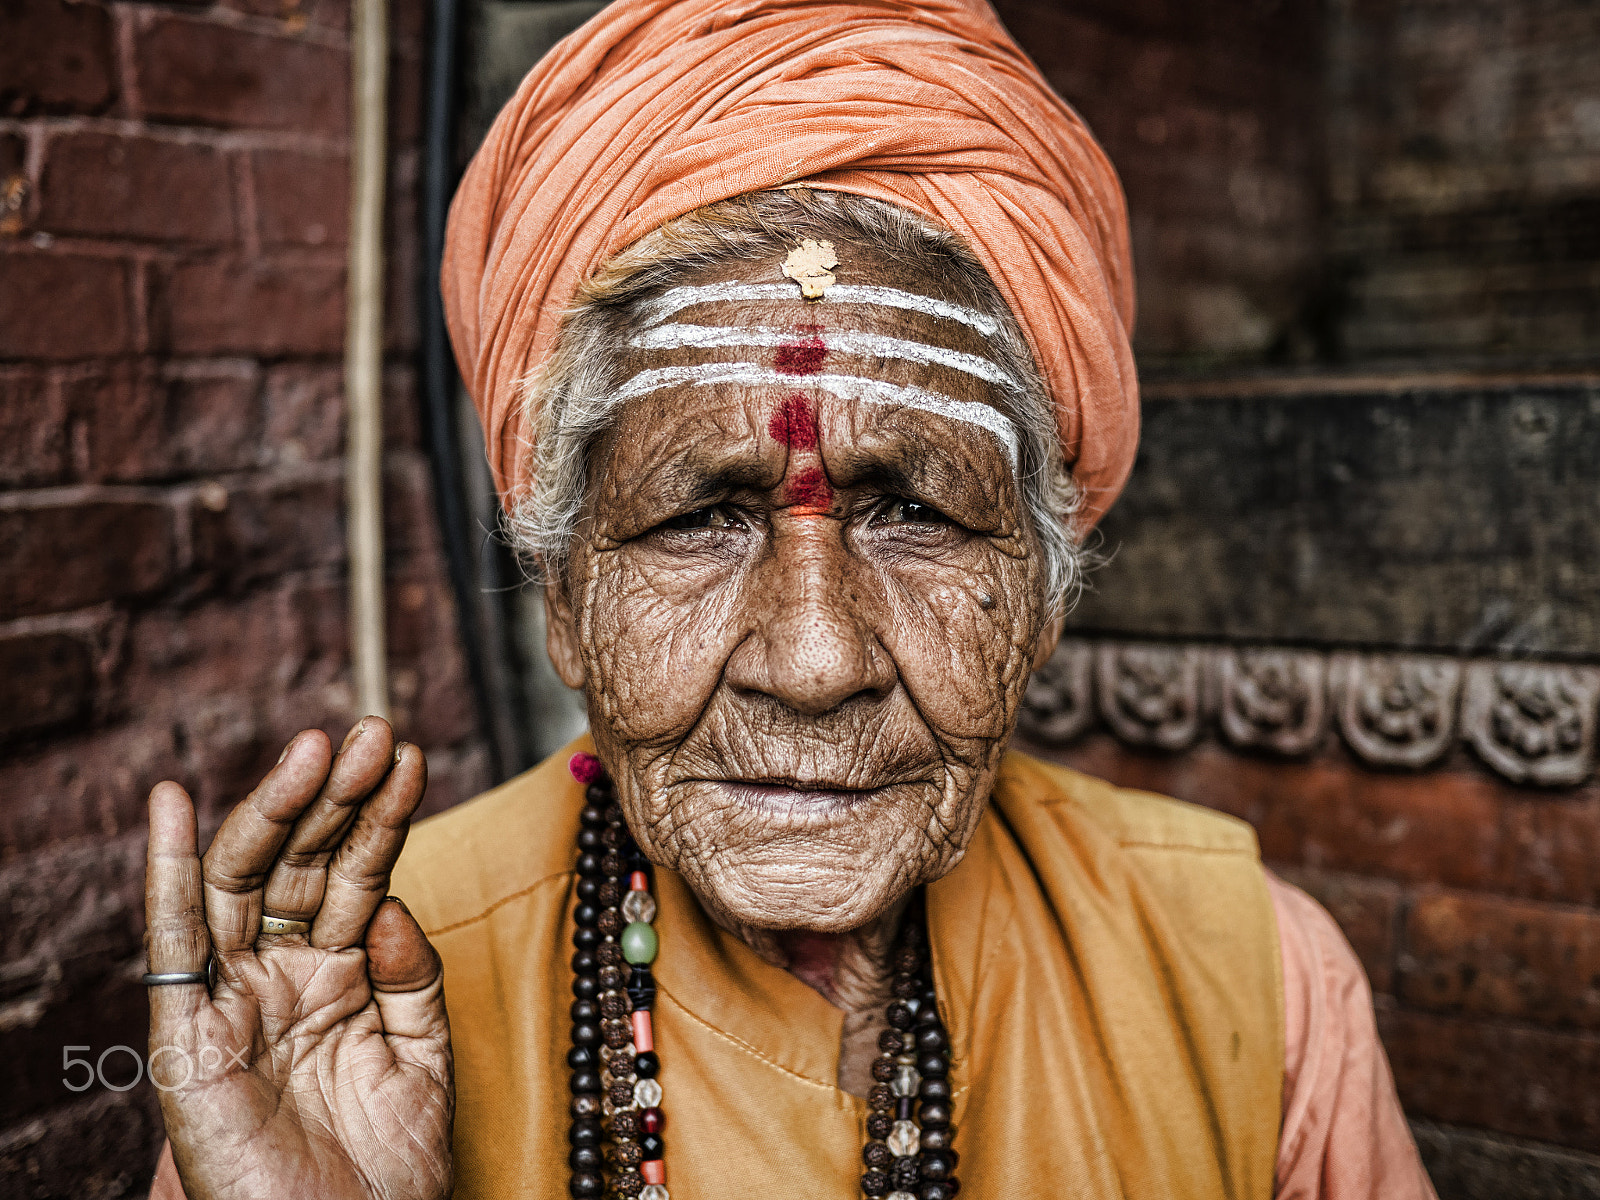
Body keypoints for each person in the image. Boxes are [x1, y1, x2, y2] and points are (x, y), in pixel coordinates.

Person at [144, 0, 1438, 1197]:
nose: (815, 661)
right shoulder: (349, 996)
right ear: (564, 597)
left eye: (916, 515)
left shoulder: (1250, 980)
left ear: (1043, 593)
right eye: (699, 520)